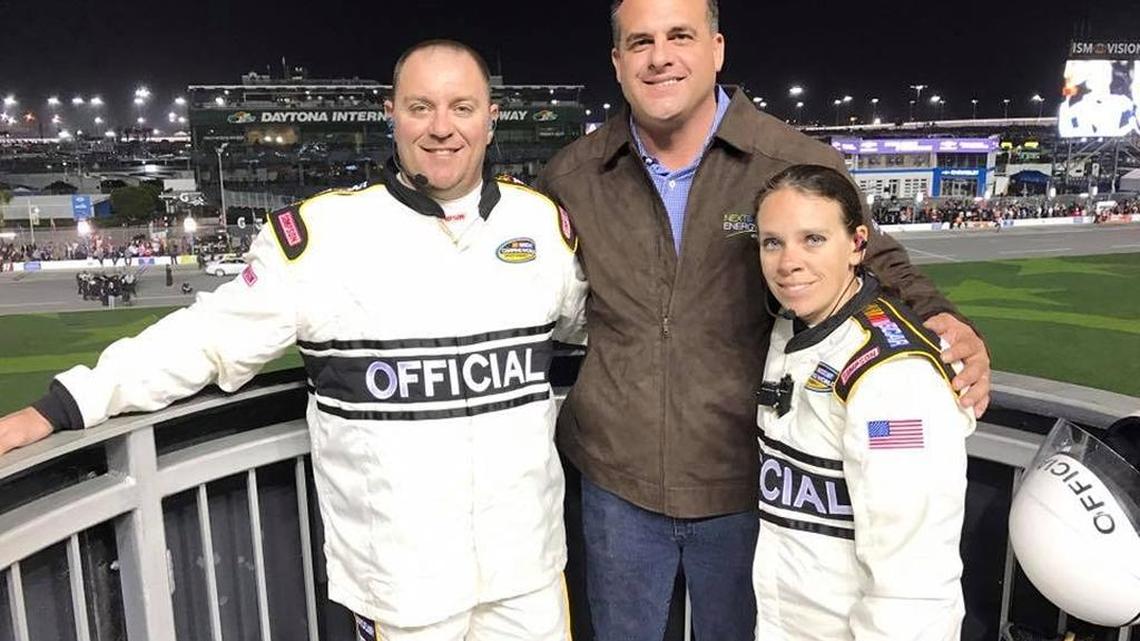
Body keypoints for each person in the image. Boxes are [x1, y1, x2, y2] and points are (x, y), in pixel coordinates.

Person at [0, 39, 586, 641]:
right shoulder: (323, 235)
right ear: (392, 114)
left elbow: (604, 323)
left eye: (462, 107)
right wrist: (61, 407)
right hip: (403, 588)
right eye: (420, 107)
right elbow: (207, 338)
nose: (441, 128)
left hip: (528, 575)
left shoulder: (539, 224)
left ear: (492, 117)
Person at [534, 1, 991, 638]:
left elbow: (879, 258)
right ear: (617, 62)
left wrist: (946, 320)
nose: (660, 55)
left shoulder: (789, 158)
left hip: (744, 487)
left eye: (680, 36)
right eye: (640, 42)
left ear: (717, 50)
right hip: (616, 484)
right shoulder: (574, 174)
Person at [750, 164, 974, 640]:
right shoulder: (794, 325)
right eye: (773, 242)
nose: (788, 261)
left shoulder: (896, 380)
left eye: (812, 239)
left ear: (856, 244)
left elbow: (914, 583)